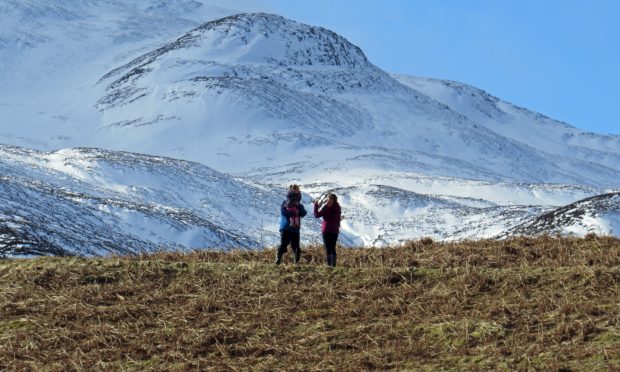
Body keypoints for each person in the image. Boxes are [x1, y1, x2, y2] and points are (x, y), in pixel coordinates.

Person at [276, 185, 307, 265]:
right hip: (286, 227)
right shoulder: (285, 203)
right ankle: (278, 259)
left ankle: (296, 262)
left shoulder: (299, 205)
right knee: (284, 244)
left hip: (295, 228)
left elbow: (303, 213)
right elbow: (284, 212)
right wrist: (294, 212)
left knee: (295, 246)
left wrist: (298, 207)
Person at [313, 193, 341, 267]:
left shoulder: (326, 207)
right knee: (332, 247)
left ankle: (329, 265)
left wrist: (316, 205)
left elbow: (317, 215)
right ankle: (333, 265)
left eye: (329, 199)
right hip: (335, 230)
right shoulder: (338, 207)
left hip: (326, 229)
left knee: (328, 248)